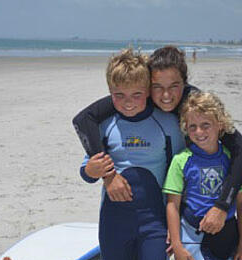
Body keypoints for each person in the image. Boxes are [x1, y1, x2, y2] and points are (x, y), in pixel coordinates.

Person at [73, 45, 242, 236]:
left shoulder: (194, 103)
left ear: (184, 84)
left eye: (174, 86)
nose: (166, 96)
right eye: (157, 87)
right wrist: (108, 174)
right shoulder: (138, 99)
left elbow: (239, 148)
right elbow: (83, 119)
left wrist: (221, 205)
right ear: (146, 87)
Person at [80, 48, 185, 260]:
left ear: (147, 90)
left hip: (155, 224)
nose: (128, 102)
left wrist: (177, 225)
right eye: (119, 96)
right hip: (114, 224)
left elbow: (180, 174)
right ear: (110, 93)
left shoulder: (166, 124)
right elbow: (87, 168)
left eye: (137, 95)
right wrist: (96, 172)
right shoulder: (105, 126)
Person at [163, 91, 242, 260]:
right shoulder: (181, 160)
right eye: (192, 126)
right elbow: (172, 205)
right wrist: (177, 245)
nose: (199, 132)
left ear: (220, 124)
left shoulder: (232, 158)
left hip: (228, 245)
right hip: (193, 247)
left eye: (205, 125)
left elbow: (239, 200)